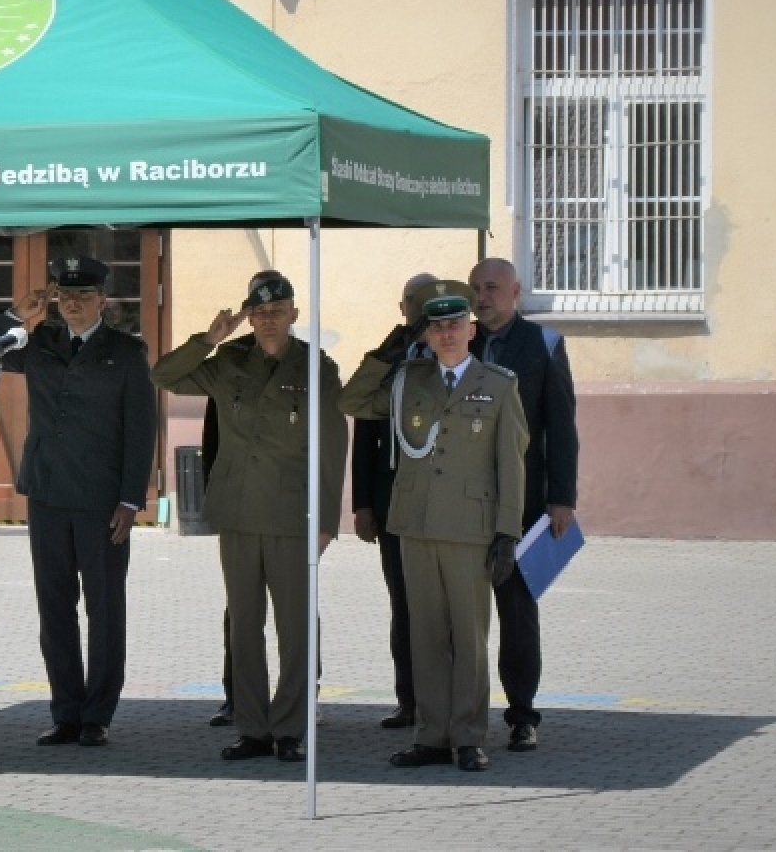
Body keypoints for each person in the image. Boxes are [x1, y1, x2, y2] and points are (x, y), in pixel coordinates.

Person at [152, 272, 347, 763]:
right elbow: (164, 375)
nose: (267, 321)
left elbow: (332, 447)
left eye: (276, 311)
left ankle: (292, 727)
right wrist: (210, 338)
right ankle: (253, 728)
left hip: (290, 516)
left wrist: (325, 520)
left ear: (294, 314)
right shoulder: (229, 361)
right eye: (258, 313)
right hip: (238, 512)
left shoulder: (317, 367)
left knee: (295, 627)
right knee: (243, 626)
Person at [0, 254, 157, 748]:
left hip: (101, 500)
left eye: (83, 295)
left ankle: (98, 714)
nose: (73, 303)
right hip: (48, 492)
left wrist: (130, 500)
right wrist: (16, 313)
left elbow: (141, 431)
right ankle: (66, 712)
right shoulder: (38, 343)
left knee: (104, 607)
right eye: (65, 295)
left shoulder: (126, 352)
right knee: (54, 607)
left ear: (102, 300)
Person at [340, 280, 526, 773]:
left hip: (469, 529)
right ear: (426, 333)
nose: (446, 334)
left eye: (455, 325)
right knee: (424, 636)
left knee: (468, 638)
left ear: (471, 329)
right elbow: (351, 400)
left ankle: (468, 737)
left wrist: (507, 533)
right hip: (416, 525)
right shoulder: (407, 381)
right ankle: (431, 736)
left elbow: (511, 466)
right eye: (437, 326)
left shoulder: (498, 384)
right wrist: (385, 353)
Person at [469, 257, 580, 752]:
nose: (482, 297)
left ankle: (521, 715)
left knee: (516, 614)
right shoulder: (459, 341)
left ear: (516, 292)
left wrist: (561, 498)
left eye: (492, 287)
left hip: (523, 502)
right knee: (461, 614)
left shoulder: (543, 344)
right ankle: (458, 713)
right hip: (465, 502)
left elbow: (561, 426)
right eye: (476, 288)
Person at [349, 272, 436, 731]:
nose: (417, 312)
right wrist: (363, 503)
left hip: (442, 505)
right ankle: (409, 700)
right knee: (403, 606)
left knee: (441, 609)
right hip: (394, 504)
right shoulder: (389, 359)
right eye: (412, 304)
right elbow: (364, 433)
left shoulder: (456, 356)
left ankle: (443, 703)